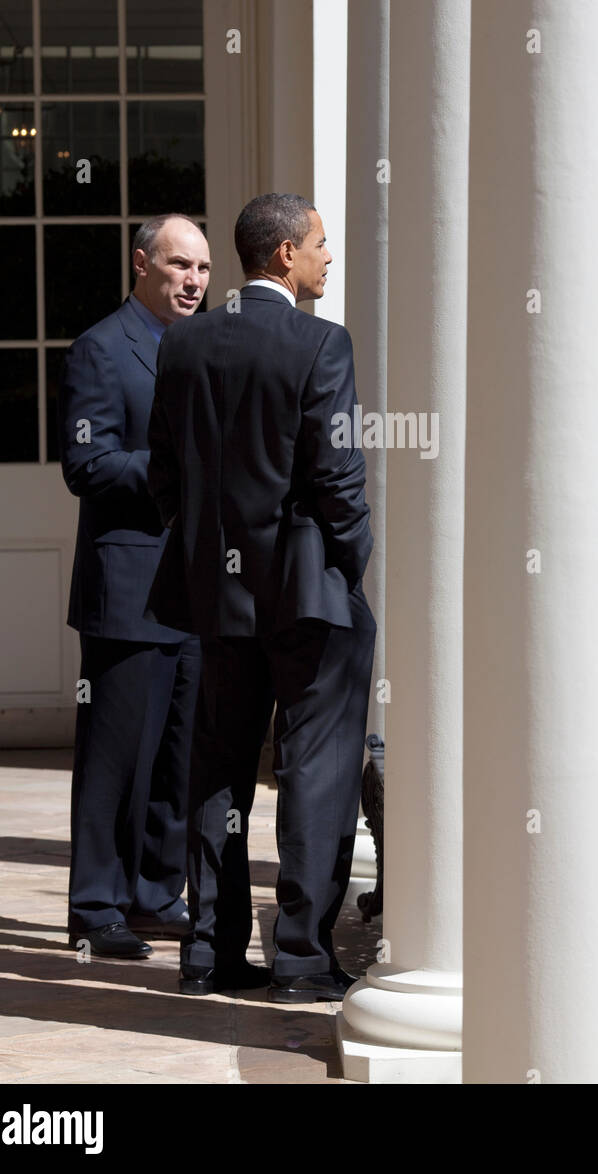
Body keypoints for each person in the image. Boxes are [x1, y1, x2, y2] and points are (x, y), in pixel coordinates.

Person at [146, 192, 376, 1000]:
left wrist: (211, 555)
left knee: (217, 769)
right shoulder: (322, 345)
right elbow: (338, 476)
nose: (328, 257)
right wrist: (351, 565)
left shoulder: (184, 345)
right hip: (308, 596)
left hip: (219, 596)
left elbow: (163, 474)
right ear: (284, 255)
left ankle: (208, 951)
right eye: (320, 243)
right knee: (316, 770)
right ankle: (302, 959)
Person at [58, 214, 208, 958]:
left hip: (196, 589)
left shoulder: (200, 349)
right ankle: (96, 906)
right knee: (118, 757)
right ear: (142, 264)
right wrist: (174, 471)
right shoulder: (100, 347)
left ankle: (155, 892)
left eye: (204, 270)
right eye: (180, 265)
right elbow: (86, 465)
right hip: (126, 589)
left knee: (177, 754)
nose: (194, 281)